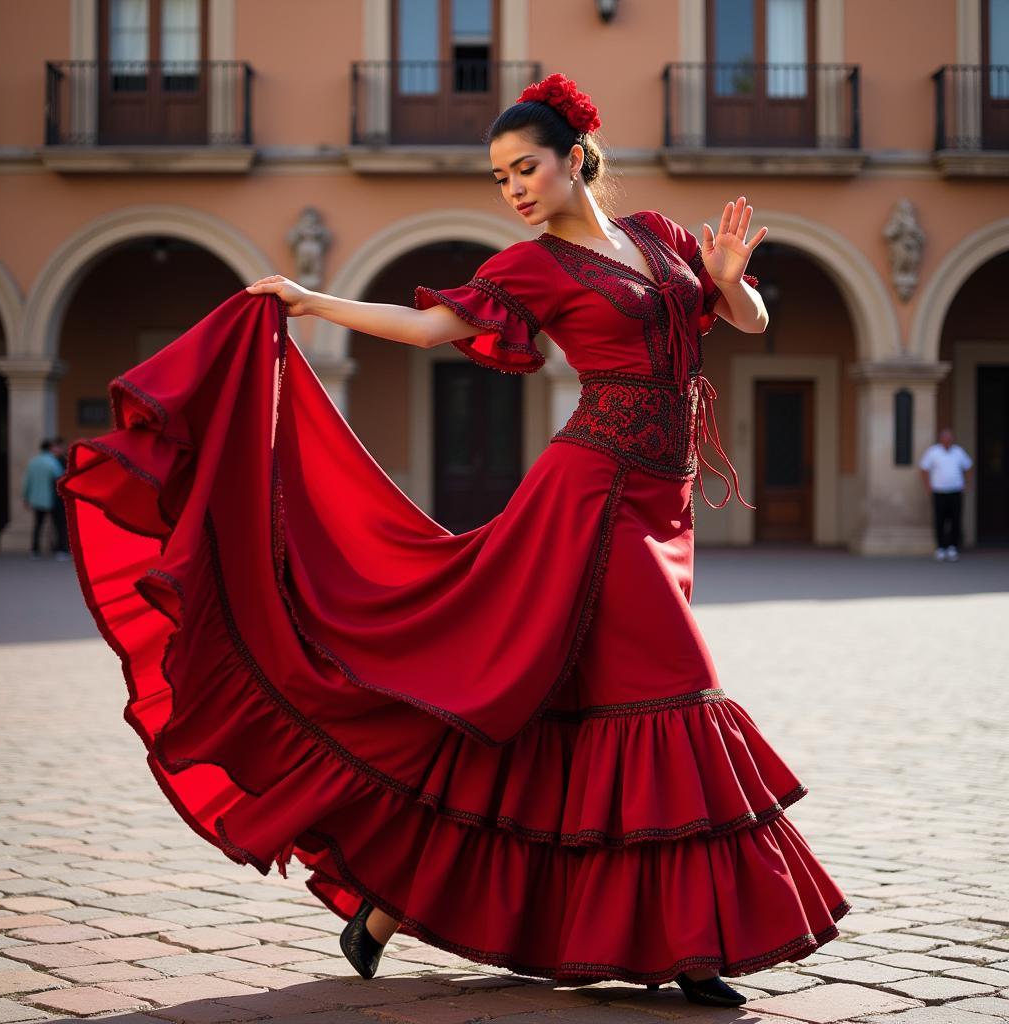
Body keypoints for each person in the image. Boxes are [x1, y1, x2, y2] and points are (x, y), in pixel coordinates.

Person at [57, 73, 850, 1008]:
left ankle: (385, 905)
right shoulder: (532, 268)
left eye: (527, 167)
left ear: (575, 158)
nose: (514, 188)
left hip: (664, 505)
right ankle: (693, 947)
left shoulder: (661, 240)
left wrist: (725, 283)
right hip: (589, 505)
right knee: (674, 685)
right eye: (501, 177)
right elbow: (430, 328)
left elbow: (749, 319)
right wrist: (313, 301)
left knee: (538, 709)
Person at [919, 427, 973, 561]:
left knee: (955, 519)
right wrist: (928, 486)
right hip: (939, 491)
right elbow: (924, 469)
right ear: (941, 438)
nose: (948, 440)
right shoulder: (933, 452)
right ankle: (941, 547)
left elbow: (968, 467)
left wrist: (967, 484)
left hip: (955, 491)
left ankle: (953, 547)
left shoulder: (958, 452)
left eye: (950, 437)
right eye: (945, 437)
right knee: (939, 520)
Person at [21, 439, 66, 560]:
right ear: (50, 448)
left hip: (37, 499)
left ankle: (34, 550)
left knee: (38, 525)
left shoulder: (33, 462)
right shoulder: (53, 462)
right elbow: (59, 478)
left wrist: (26, 497)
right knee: (58, 525)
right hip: (52, 499)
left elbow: (27, 482)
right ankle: (61, 550)